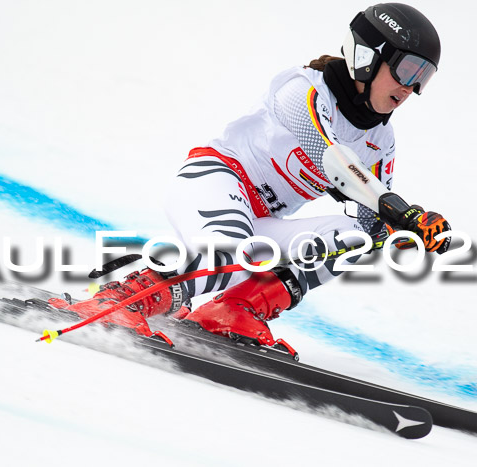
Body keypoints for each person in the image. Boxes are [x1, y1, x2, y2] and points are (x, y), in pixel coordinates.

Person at [64, 3, 452, 353]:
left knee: (368, 235)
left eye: (423, 76)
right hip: (213, 180)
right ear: (368, 57)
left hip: (262, 220)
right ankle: (125, 299)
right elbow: (329, 156)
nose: (411, 87)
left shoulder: (381, 140)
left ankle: (234, 308)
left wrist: (408, 229)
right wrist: (398, 208)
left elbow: (373, 220)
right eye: (406, 69)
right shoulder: (301, 88)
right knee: (231, 249)